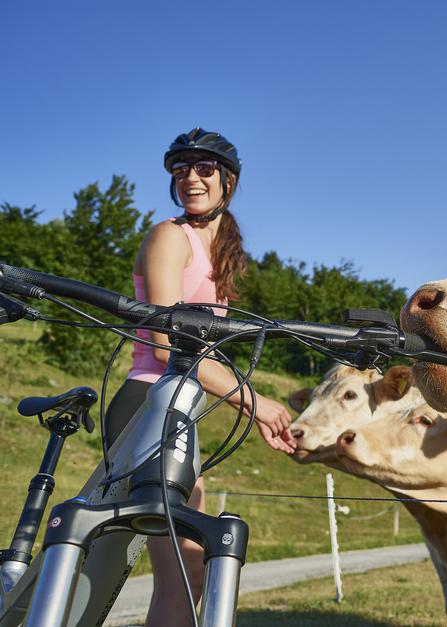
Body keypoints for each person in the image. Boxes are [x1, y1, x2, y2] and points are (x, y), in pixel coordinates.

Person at [104, 127, 296, 626]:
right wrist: (255, 402)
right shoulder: (171, 236)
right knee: (182, 577)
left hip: (179, 409)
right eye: (181, 169)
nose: (191, 177)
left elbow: (204, 354)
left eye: (204, 168)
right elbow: (170, 343)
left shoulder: (221, 253)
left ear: (227, 181)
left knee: (190, 572)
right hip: (148, 404)